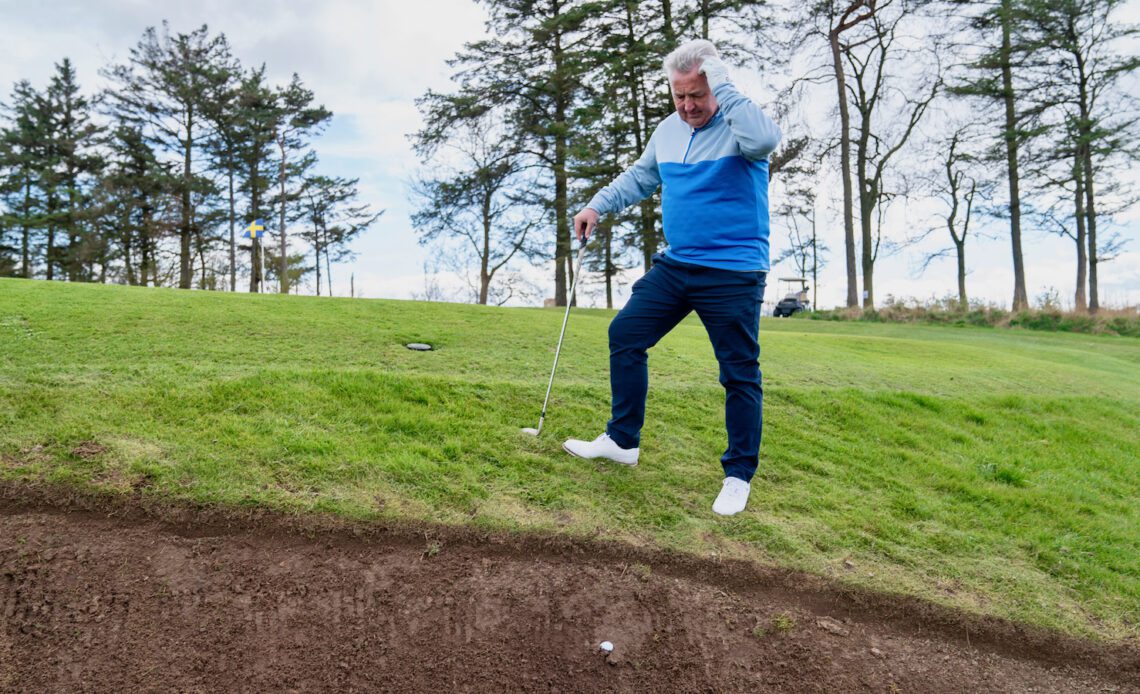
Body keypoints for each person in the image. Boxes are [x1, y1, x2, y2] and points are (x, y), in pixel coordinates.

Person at [562, 39, 782, 516]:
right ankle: (623, 441)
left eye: (697, 96)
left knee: (738, 371)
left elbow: (766, 142)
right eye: (679, 96)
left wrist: (723, 85)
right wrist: (596, 204)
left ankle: (738, 474)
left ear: (716, 87)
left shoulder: (741, 127)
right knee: (625, 334)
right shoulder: (667, 130)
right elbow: (640, 178)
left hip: (733, 270)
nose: (687, 107)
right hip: (678, 264)